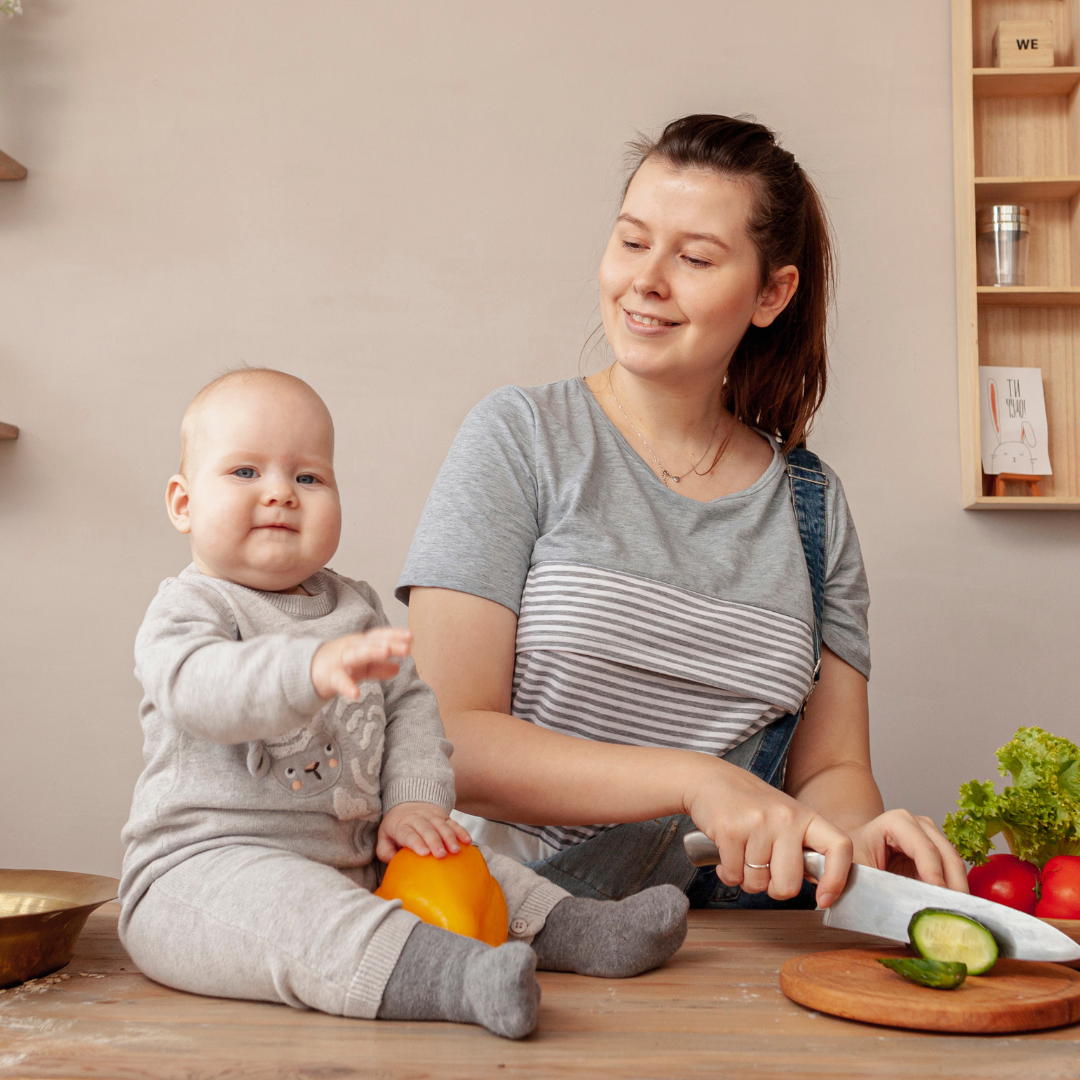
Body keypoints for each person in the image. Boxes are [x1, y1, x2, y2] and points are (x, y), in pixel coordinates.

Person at [397, 114, 969, 909]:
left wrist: (857, 840)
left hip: (734, 954)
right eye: (632, 242)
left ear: (772, 293)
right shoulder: (522, 438)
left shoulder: (813, 507)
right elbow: (446, 739)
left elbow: (831, 772)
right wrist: (695, 781)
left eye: (695, 257)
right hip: (516, 927)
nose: (646, 280)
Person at [117, 369, 689, 1041]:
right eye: (245, 472)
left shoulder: (354, 606)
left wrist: (417, 802)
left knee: (461, 858)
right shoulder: (189, 609)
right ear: (183, 503)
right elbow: (203, 690)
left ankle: (577, 927)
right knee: (308, 919)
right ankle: (458, 979)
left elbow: (410, 707)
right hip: (207, 873)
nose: (280, 493)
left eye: (309, 478)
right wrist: (308, 668)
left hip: (356, 856)